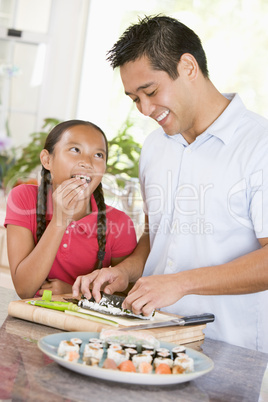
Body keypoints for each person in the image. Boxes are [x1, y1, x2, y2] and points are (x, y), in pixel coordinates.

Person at [72, 16, 268, 352]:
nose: (145, 109)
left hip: (230, 350)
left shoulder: (259, 145)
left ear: (189, 67)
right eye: (135, 98)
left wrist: (182, 283)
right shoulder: (155, 146)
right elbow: (157, 235)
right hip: (150, 338)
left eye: (150, 91)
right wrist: (125, 273)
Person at [4, 120, 137, 299]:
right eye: (75, 150)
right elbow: (24, 289)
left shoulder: (119, 222)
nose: (87, 162)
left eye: (98, 155)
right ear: (47, 159)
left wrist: (74, 292)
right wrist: (60, 219)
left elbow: (127, 294)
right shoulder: (24, 199)